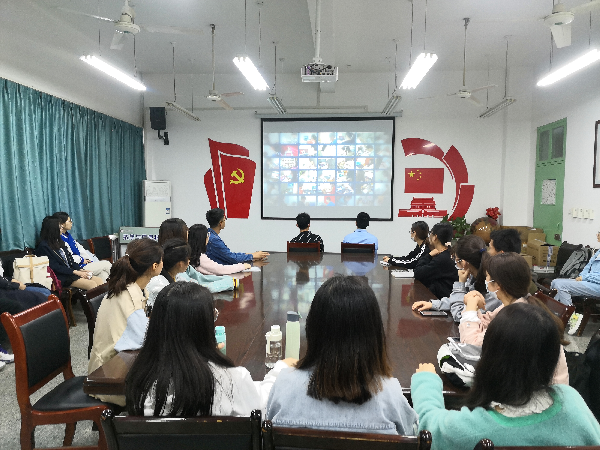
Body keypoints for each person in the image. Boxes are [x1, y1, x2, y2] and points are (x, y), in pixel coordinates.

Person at [411, 303, 600, 450]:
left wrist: (426, 381)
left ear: (489, 357)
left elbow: (430, 428)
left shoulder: (473, 428)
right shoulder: (572, 399)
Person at [266, 276, 418, 435]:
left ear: (312, 328)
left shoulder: (284, 386)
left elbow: (267, 432)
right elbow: (411, 437)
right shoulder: (390, 395)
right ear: (374, 335)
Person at [126, 282, 286, 416]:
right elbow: (262, 405)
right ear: (202, 327)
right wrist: (280, 371)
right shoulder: (230, 380)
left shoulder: (140, 381)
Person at [460, 252, 568, 384]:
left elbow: (471, 345)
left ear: (498, 284)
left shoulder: (517, 317)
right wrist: (474, 304)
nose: (485, 281)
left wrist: (471, 308)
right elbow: (487, 322)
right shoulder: (519, 303)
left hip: (540, 391)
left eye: (487, 277)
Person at [88, 238, 163, 405]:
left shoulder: (131, 287)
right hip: (111, 376)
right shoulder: (130, 295)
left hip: (118, 364)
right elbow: (146, 340)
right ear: (154, 266)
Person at [412, 235, 501, 321]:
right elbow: (458, 300)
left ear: (464, 262)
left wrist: (460, 283)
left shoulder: (491, 285)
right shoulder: (473, 276)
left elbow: (459, 314)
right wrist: (433, 304)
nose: (455, 263)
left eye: (456, 260)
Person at [157, 217, 238, 293]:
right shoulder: (175, 266)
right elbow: (197, 288)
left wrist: (228, 280)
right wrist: (228, 282)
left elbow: (200, 278)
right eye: (186, 231)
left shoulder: (174, 261)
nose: (188, 235)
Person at [551, 231, 600, 335]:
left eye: (599, 233)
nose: (597, 235)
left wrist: (584, 277)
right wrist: (581, 276)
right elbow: (587, 267)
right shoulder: (598, 251)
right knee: (555, 282)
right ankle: (555, 316)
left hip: (597, 286)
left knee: (561, 286)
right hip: (588, 282)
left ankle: (571, 316)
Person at [36, 216, 103, 290]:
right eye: (60, 227)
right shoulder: (43, 247)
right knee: (91, 284)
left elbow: (70, 260)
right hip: (60, 276)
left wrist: (80, 270)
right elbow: (55, 267)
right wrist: (75, 272)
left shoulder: (60, 242)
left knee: (99, 280)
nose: (62, 228)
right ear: (53, 229)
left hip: (70, 273)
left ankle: (102, 298)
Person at [53, 211, 112, 282]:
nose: (71, 223)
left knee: (103, 274)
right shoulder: (59, 240)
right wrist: (81, 260)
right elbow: (67, 258)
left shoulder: (68, 235)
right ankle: (121, 282)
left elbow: (80, 249)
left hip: (83, 263)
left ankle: (107, 289)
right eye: (69, 221)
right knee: (106, 264)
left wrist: (87, 259)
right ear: (62, 224)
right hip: (77, 268)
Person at [205, 208, 269, 265]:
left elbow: (229, 255)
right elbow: (232, 258)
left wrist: (252, 255)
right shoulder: (214, 240)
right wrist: (252, 256)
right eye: (224, 220)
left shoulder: (209, 235)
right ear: (220, 223)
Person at [413, 222, 458, 299]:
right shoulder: (448, 253)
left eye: (430, 233)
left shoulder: (442, 258)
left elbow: (418, 273)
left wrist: (428, 255)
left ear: (435, 237)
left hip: (442, 299)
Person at [146, 238, 194, 309]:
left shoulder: (175, 275)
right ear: (180, 263)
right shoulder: (159, 284)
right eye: (188, 258)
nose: (189, 261)